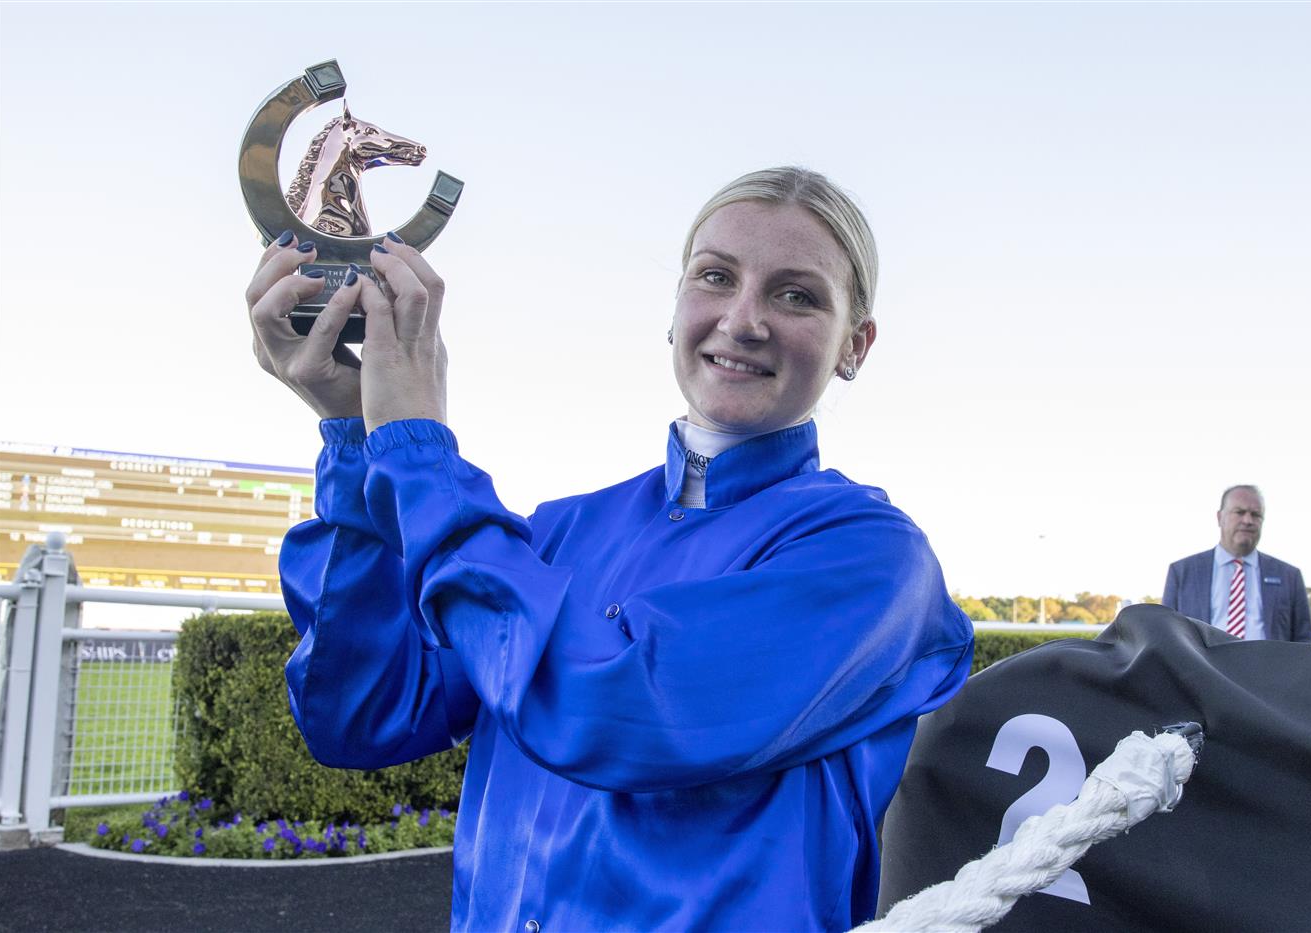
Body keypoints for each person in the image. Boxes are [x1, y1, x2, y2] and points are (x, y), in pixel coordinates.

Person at [246, 166, 974, 932]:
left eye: (797, 294)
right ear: (674, 311)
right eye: (715, 277)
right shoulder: (558, 530)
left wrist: (417, 450)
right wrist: (356, 433)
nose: (744, 318)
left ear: (854, 345)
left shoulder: (872, 562)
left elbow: (615, 704)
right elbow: (362, 715)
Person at [1161, 485, 1311, 642]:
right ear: (1220, 518)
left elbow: (1304, 641)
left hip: (1269, 665)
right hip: (1202, 666)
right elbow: (1166, 636)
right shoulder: (1182, 572)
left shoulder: (1289, 576)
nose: (1248, 520)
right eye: (1239, 512)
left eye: (1256, 515)